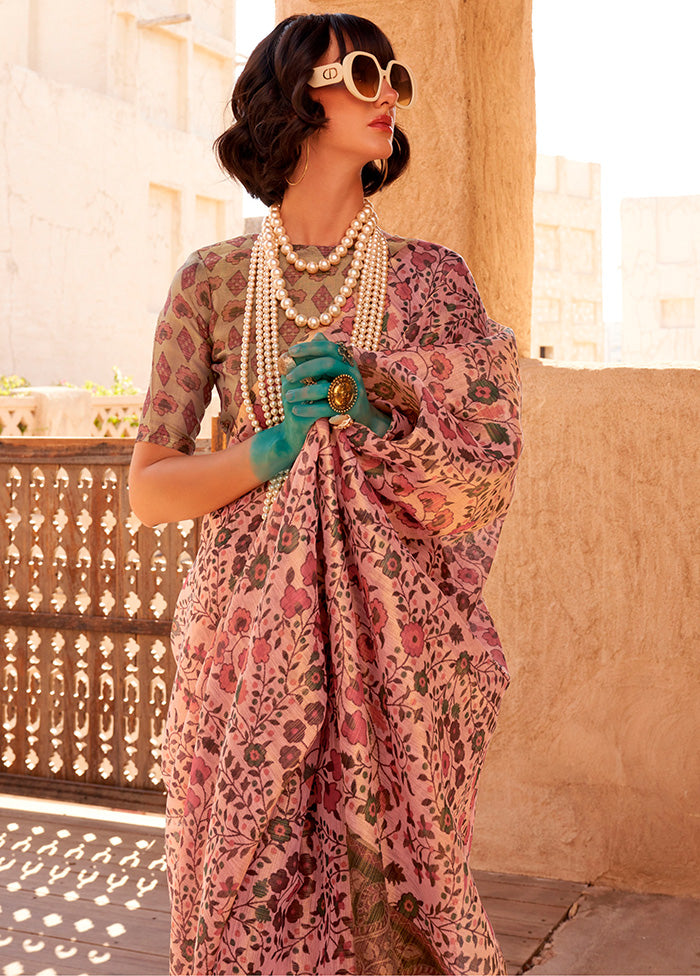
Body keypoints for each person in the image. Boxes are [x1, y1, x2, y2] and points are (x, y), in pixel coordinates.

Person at [129, 11, 522, 976]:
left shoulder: (434, 280)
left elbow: (482, 468)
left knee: (387, 916)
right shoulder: (212, 283)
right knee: (243, 910)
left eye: (395, 73)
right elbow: (151, 489)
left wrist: (376, 415)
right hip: (246, 650)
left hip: (399, 650)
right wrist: (277, 448)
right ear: (300, 93)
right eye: (362, 71)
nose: (387, 89)